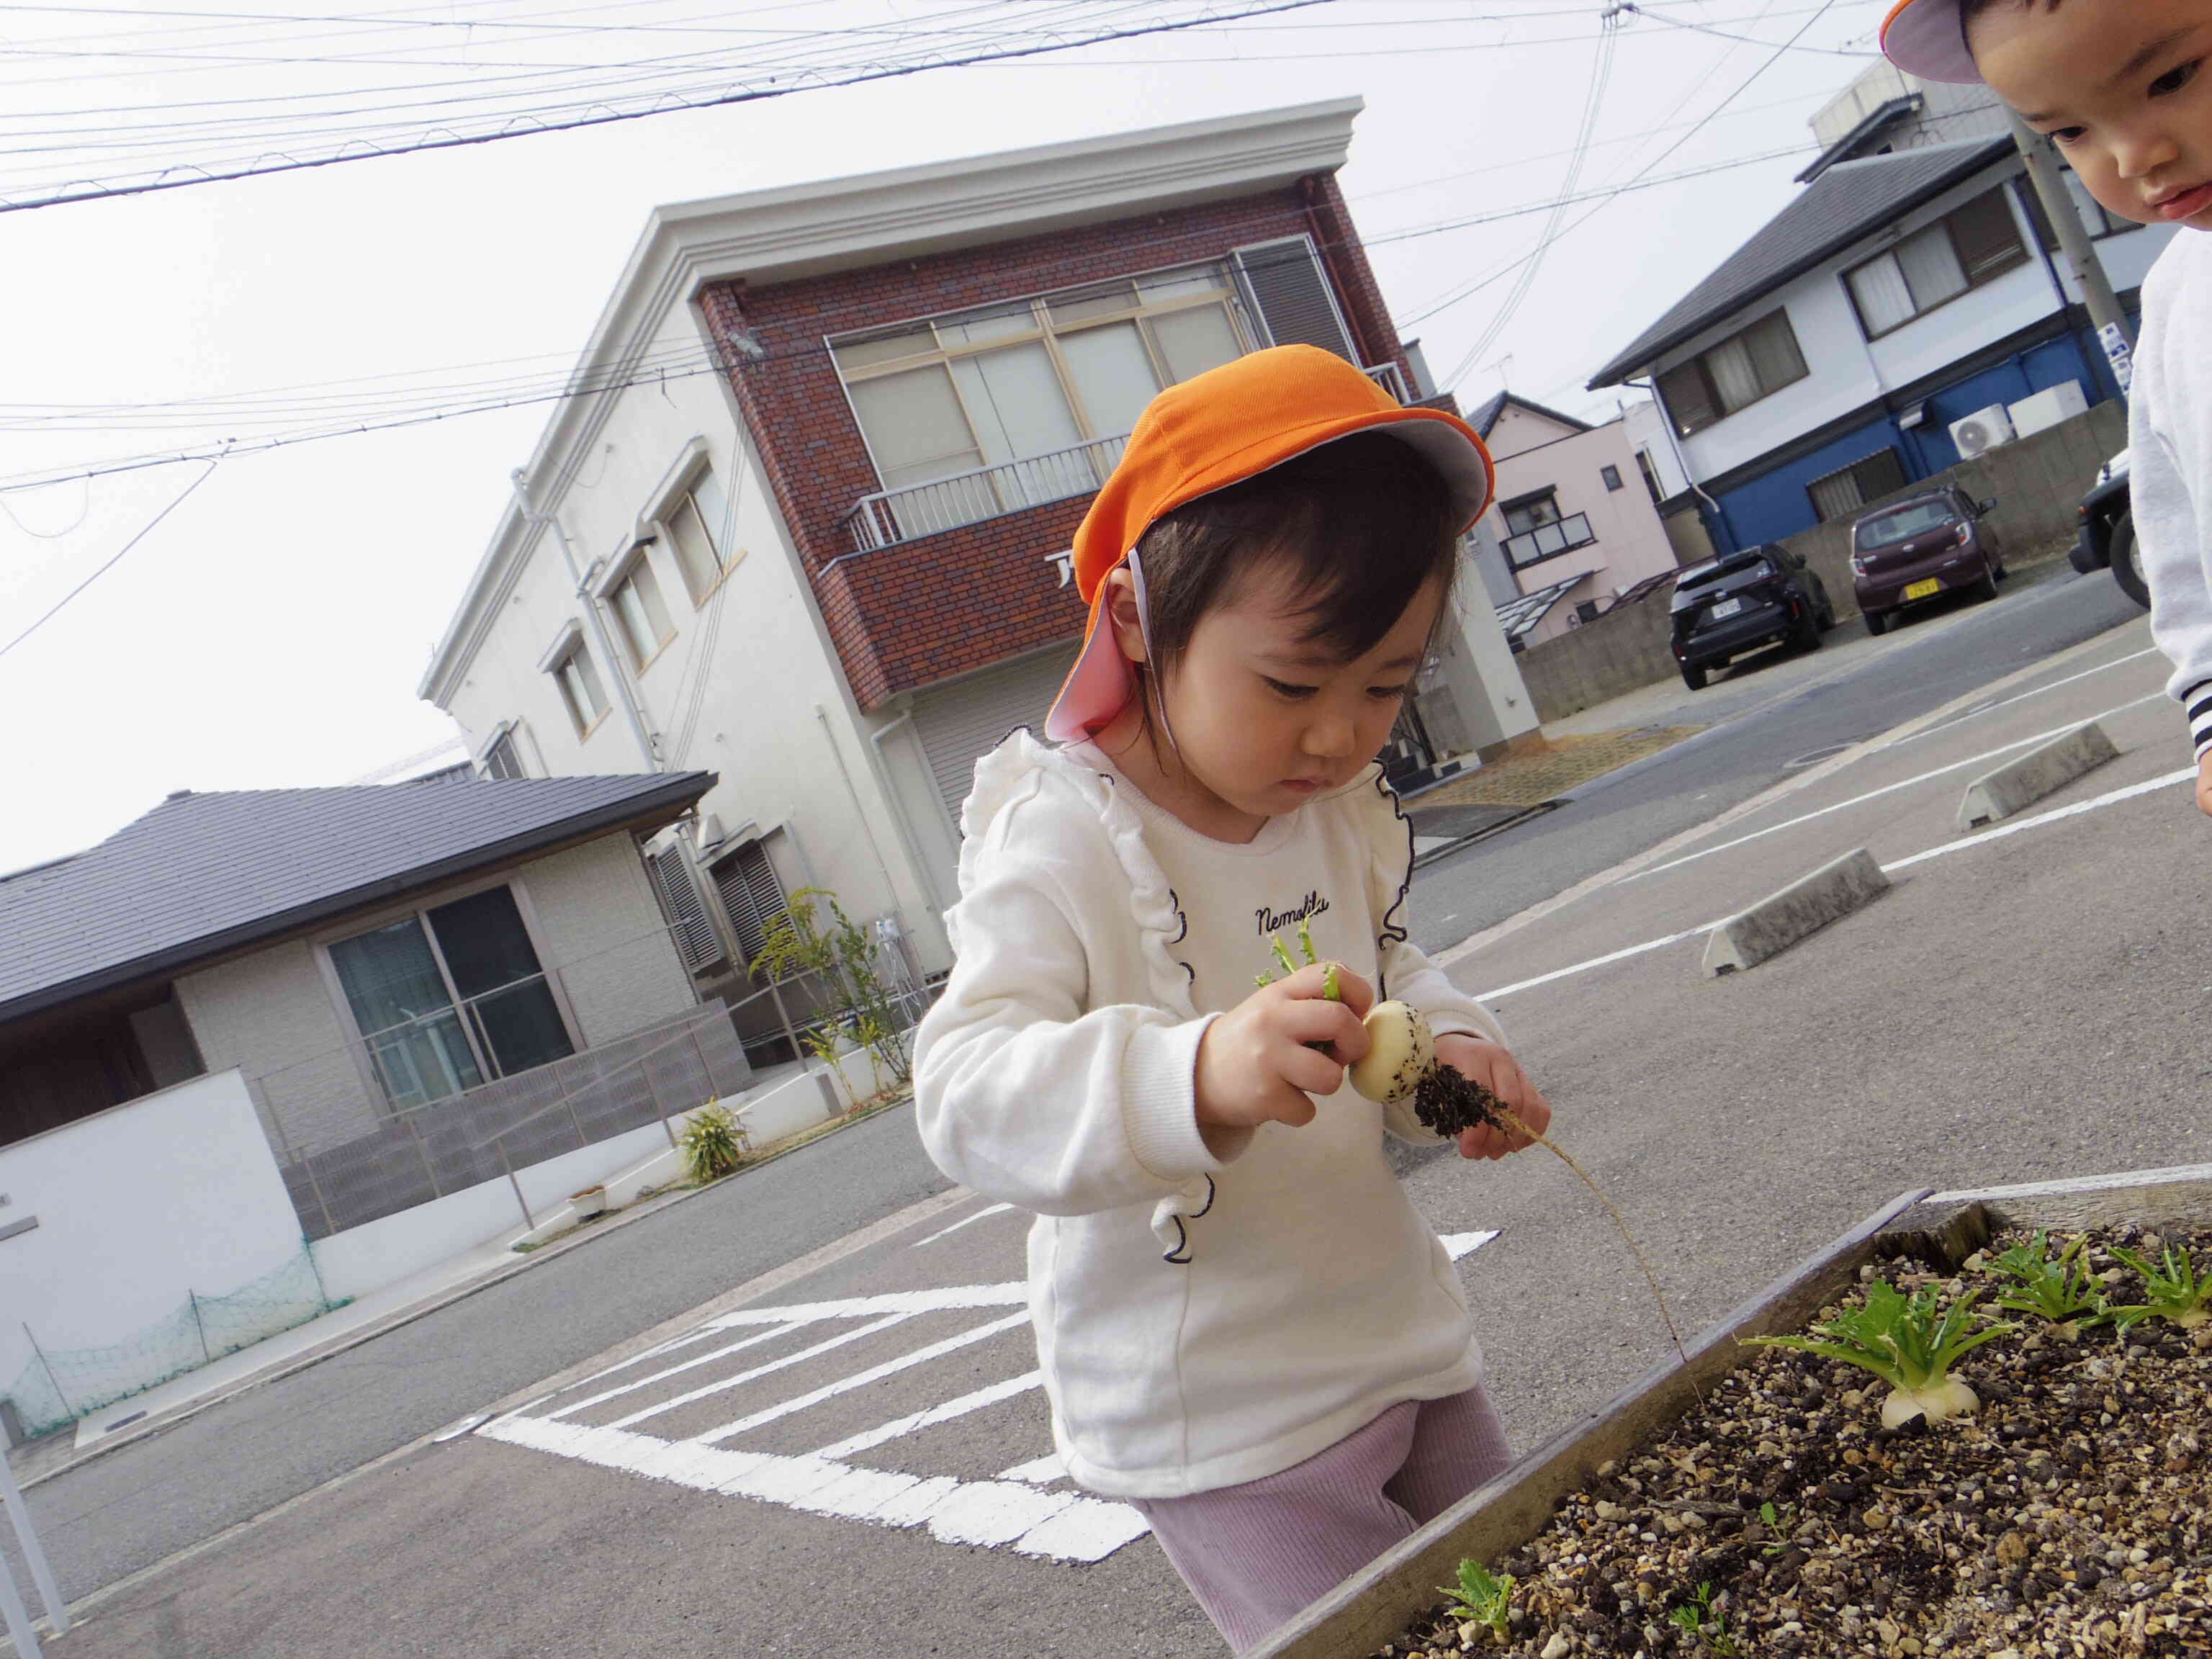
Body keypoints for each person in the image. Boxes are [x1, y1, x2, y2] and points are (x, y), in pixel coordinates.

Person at [912, 344, 1553, 1654]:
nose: (1338, 736)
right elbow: (965, 1087)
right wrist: (1188, 1073)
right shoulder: (1061, 836)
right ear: (1139, 619)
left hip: (1397, 1334)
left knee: (1534, 1599)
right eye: (1291, 685)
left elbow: (1392, 973)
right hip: (1221, 1413)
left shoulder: (1328, 809)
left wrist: (1463, 1052)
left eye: (1385, 686)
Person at [1884, 0, 2212, 814]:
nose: (2137, 153)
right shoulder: (2177, 295)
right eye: (2069, 131)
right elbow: (2177, 529)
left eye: (2172, 76)